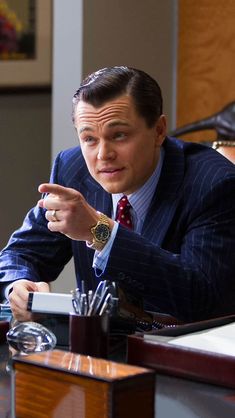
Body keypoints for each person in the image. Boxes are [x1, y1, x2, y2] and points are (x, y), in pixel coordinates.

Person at [0, 66, 235, 323]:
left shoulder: (214, 183)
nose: (103, 155)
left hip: (182, 353)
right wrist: (18, 286)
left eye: (119, 135)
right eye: (89, 139)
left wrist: (99, 231)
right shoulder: (73, 169)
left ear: (158, 130)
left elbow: (202, 297)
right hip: (95, 350)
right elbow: (20, 253)